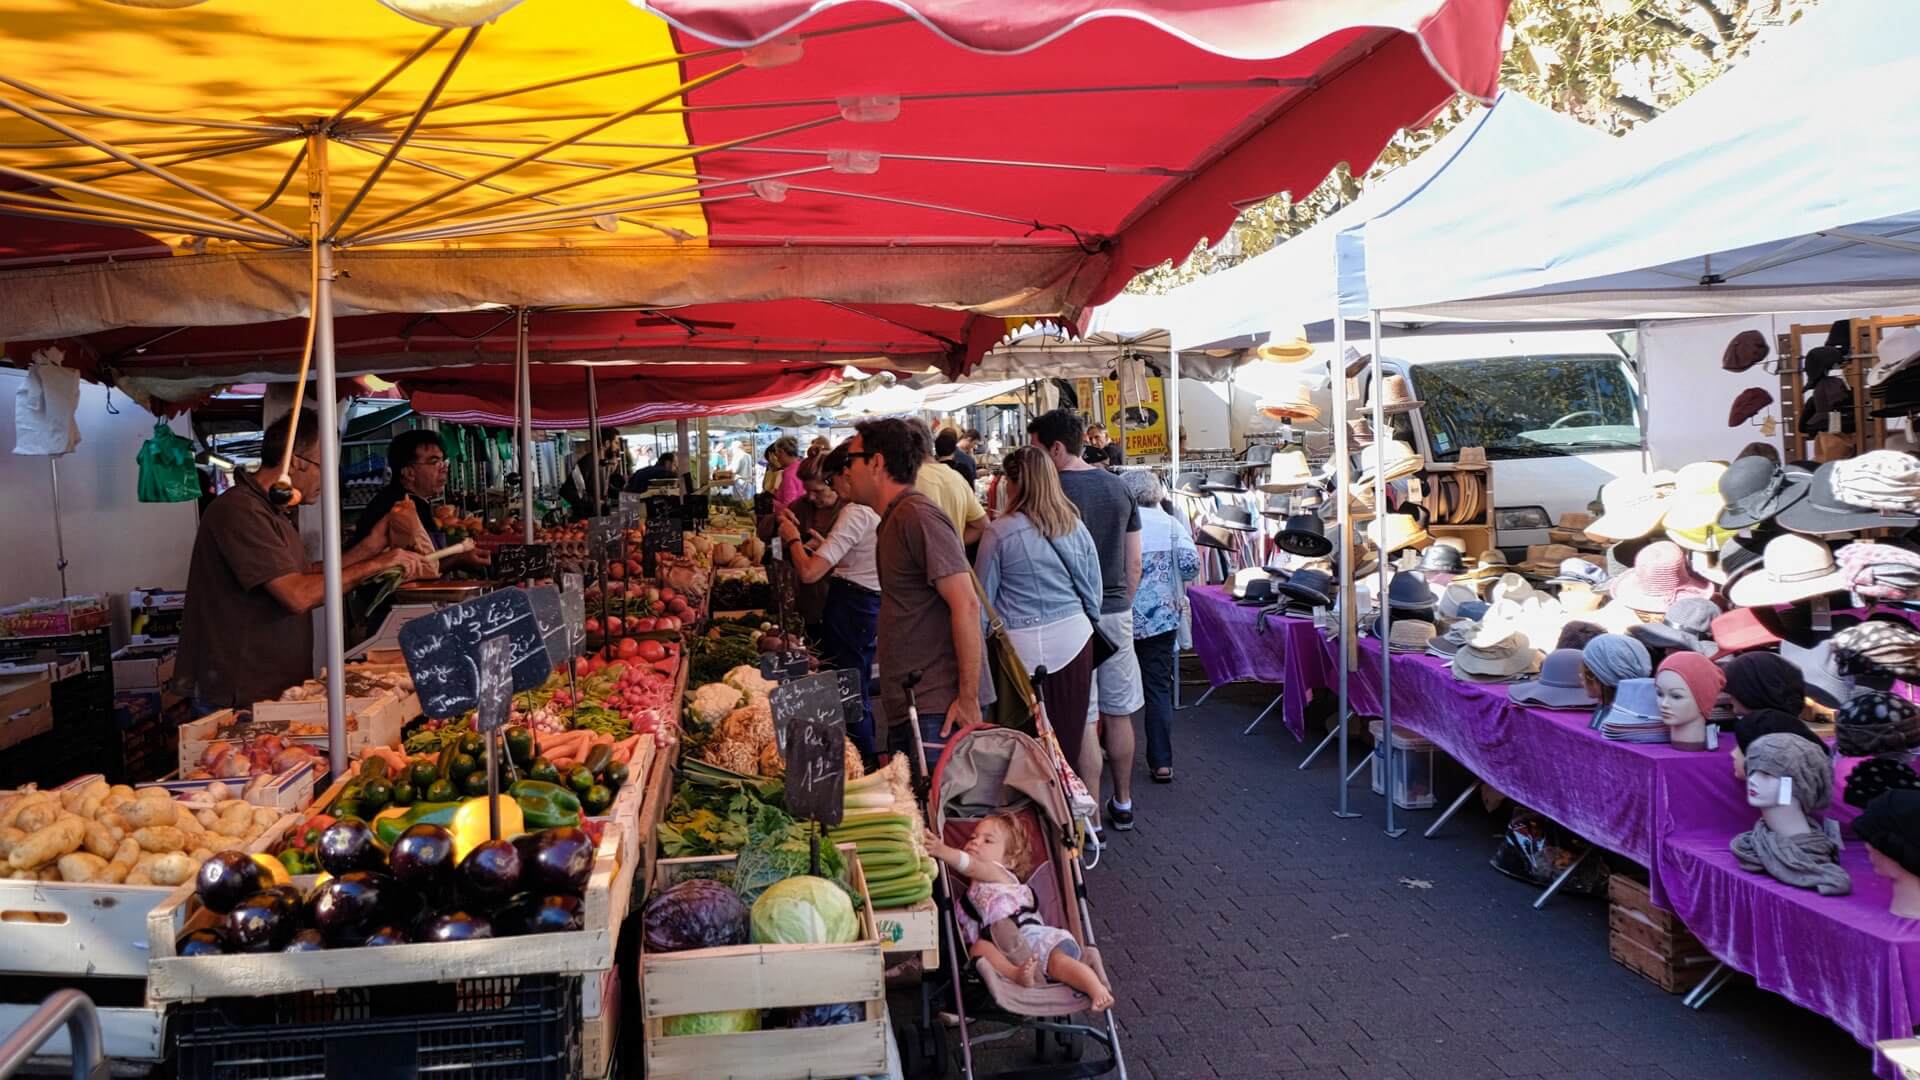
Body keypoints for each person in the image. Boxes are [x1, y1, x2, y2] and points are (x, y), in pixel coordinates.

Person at [177, 409, 440, 711]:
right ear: (296, 462)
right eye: (323, 464)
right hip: (241, 693)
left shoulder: (272, 511)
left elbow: (304, 575)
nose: (328, 477)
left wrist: (371, 547)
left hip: (274, 689)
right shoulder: (240, 511)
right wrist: (376, 564)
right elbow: (298, 594)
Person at [844, 416, 985, 759]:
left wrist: (968, 697)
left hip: (936, 706)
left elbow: (966, 604)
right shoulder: (895, 516)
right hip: (912, 703)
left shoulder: (917, 516)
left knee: (936, 810)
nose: (846, 471)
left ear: (876, 462)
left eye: (851, 461)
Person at [1030, 408, 1142, 832]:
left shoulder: (1047, 493)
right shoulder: (1118, 489)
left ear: (1056, 449)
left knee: (1085, 717)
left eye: (1038, 449)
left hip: (1069, 618)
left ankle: (1090, 818)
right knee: (1120, 712)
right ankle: (1125, 801)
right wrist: (1121, 603)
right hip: (1116, 612)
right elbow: (1134, 564)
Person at [974, 447, 1102, 772]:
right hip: (1075, 639)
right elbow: (1094, 589)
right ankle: (1068, 816)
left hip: (1019, 649)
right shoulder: (1073, 525)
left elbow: (982, 603)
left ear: (1014, 483)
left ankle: (1031, 820)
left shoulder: (999, 531)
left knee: (1021, 748)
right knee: (1067, 745)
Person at [925, 813, 1114, 1012]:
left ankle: (1096, 988)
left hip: (1028, 935)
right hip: (1001, 948)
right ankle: (1017, 974)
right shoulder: (965, 900)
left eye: (987, 840)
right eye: (972, 837)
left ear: (1010, 861)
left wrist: (942, 850)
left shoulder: (998, 873)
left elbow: (972, 867)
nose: (975, 842)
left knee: (1059, 963)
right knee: (978, 949)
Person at [778, 445, 882, 756]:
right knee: (855, 687)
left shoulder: (854, 512)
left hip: (853, 608)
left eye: (833, 480)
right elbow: (858, 559)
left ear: (841, 477)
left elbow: (809, 573)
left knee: (848, 692)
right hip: (863, 606)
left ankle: (863, 758)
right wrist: (824, 547)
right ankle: (865, 753)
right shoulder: (869, 511)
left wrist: (792, 538)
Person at [1122, 469, 1199, 784]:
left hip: (1121, 615)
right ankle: (1162, 761)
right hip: (1162, 617)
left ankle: (1112, 752)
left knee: (1117, 690)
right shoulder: (1170, 524)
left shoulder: (1120, 522)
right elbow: (1191, 566)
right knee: (1158, 688)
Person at [349, 429, 490, 573]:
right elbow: (414, 567)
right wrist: (458, 559)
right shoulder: (402, 507)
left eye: (443, 461)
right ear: (409, 473)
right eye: (434, 462)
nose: (444, 469)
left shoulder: (407, 500)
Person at [915, 446, 987, 546]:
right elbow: (982, 525)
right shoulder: (957, 478)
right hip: (955, 559)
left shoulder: (904, 480)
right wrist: (952, 545)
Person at [560, 429, 625, 519]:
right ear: (607, 443)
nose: (618, 447)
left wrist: (621, 494)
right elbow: (568, 490)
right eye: (616, 443)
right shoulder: (588, 462)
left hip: (598, 517)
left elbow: (601, 488)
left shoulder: (603, 463)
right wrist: (594, 502)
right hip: (585, 519)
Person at [766, 435, 805, 509]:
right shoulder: (801, 466)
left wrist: (773, 502)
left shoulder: (789, 474)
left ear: (782, 452)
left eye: (777, 455)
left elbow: (789, 504)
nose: (777, 459)